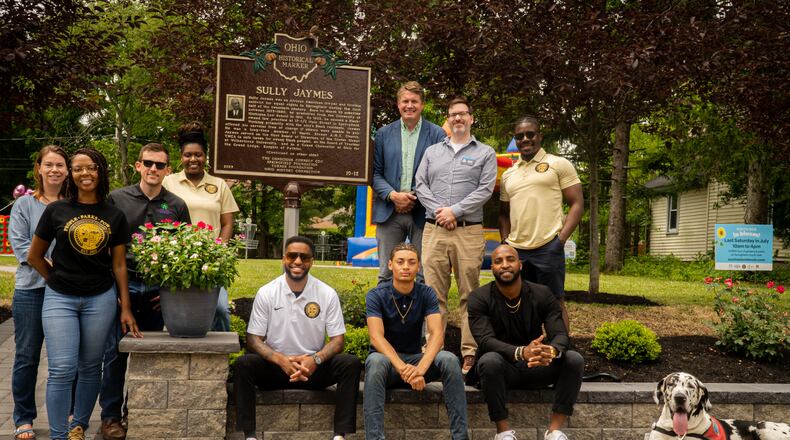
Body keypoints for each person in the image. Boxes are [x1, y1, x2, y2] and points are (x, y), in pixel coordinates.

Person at [27, 147, 142, 440]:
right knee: (62, 369)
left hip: (100, 298)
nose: (84, 173)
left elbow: (118, 265)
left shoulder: (114, 215)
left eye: (90, 167)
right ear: (72, 175)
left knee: (91, 367)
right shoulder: (57, 210)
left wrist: (125, 308)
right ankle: (58, 436)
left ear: (100, 171)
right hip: (60, 299)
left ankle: (78, 426)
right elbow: (34, 256)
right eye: (77, 168)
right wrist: (57, 280)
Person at [98, 143, 191, 439]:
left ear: (168, 170)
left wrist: (169, 292)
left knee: (147, 354)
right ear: (138, 165)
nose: (153, 169)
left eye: (160, 165)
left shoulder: (176, 205)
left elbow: (183, 253)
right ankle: (110, 417)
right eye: (148, 163)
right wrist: (110, 289)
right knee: (114, 354)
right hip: (119, 285)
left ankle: (133, 412)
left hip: (155, 290)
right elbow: (104, 248)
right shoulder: (116, 199)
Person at [233, 236, 361, 440]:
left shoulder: (326, 293)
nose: (298, 262)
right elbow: (253, 339)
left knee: (350, 364)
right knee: (243, 364)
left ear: (312, 261)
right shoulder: (267, 292)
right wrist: (279, 359)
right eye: (292, 256)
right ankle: (250, 436)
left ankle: (339, 435)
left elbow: (338, 341)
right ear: (284, 259)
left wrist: (315, 360)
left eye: (304, 257)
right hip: (276, 368)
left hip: (312, 369)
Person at [414, 96, 497, 375]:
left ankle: (469, 352)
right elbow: (420, 184)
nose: (458, 118)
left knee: (469, 295)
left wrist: (455, 211)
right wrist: (441, 211)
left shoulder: (486, 153)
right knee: (433, 294)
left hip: (468, 231)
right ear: (448, 120)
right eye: (453, 114)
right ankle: (433, 349)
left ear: (471, 118)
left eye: (463, 114)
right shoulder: (431, 152)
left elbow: (485, 190)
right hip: (434, 229)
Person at [468, 245, 584, 440]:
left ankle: (554, 431)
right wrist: (521, 352)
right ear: (492, 268)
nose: (505, 265)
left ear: (520, 265)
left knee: (574, 359)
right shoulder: (479, 298)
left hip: (538, 366)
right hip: (502, 371)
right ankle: (503, 433)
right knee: (489, 360)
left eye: (510, 259)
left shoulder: (542, 294)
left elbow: (561, 335)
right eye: (498, 261)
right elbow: (486, 340)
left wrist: (551, 351)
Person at [364, 243, 469, 439]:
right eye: (400, 262)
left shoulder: (426, 293)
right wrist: (404, 370)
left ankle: (461, 436)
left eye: (411, 262)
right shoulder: (376, 295)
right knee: (376, 361)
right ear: (390, 265)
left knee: (449, 359)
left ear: (418, 267)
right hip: (388, 365)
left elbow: (437, 334)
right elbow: (376, 338)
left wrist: (419, 370)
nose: (406, 267)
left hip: (415, 361)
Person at [498, 116, 583, 329]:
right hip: (518, 251)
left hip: (548, 246)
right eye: (519, 136)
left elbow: (577, 204)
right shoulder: (509, 174)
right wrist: (505, 243)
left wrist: (560, 240)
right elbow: (503, 213)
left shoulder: (558, 164)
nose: (525, 139)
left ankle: (561, 351)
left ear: (539, 136)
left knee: (554, 302)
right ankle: (528, 353)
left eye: (530, 134)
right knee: (520, 303)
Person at [9, 145, 69, 440]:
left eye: (60, 164)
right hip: (31, 292)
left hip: (65, 294)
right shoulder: (24, 205)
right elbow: (22, 249)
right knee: (27, 356)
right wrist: (57, 272)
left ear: (67, 170)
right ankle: (23, 417)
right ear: (39, 169)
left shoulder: (73, 204)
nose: (55, 169)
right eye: (49, 164)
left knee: (65, 358)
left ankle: (67, 413)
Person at [162, 122, 239, 331]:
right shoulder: (168, 183)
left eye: (198, 155)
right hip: (177, 260)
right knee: (177, 311)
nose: (193, 159)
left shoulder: (219, 185)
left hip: (212, 260)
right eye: (188, 155)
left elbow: (227, 223)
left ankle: (222, 358)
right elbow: (160, 213)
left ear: (205, 156)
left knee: (221, 309)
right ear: (181, 157)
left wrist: (218, 251)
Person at [372, 81, 446, 284]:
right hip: (388, 211)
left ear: (422, 105)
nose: (409, 105)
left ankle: (421, 317)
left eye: (414, 101)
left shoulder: (437, 134)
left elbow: (438, 175)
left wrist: (411, 196)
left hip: (423, 211)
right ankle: (385, 315)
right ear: (398, 105)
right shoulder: (383, 134)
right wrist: (394, 196)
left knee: (423, 274)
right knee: (386, 274)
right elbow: (374, 174)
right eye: (405, 101)